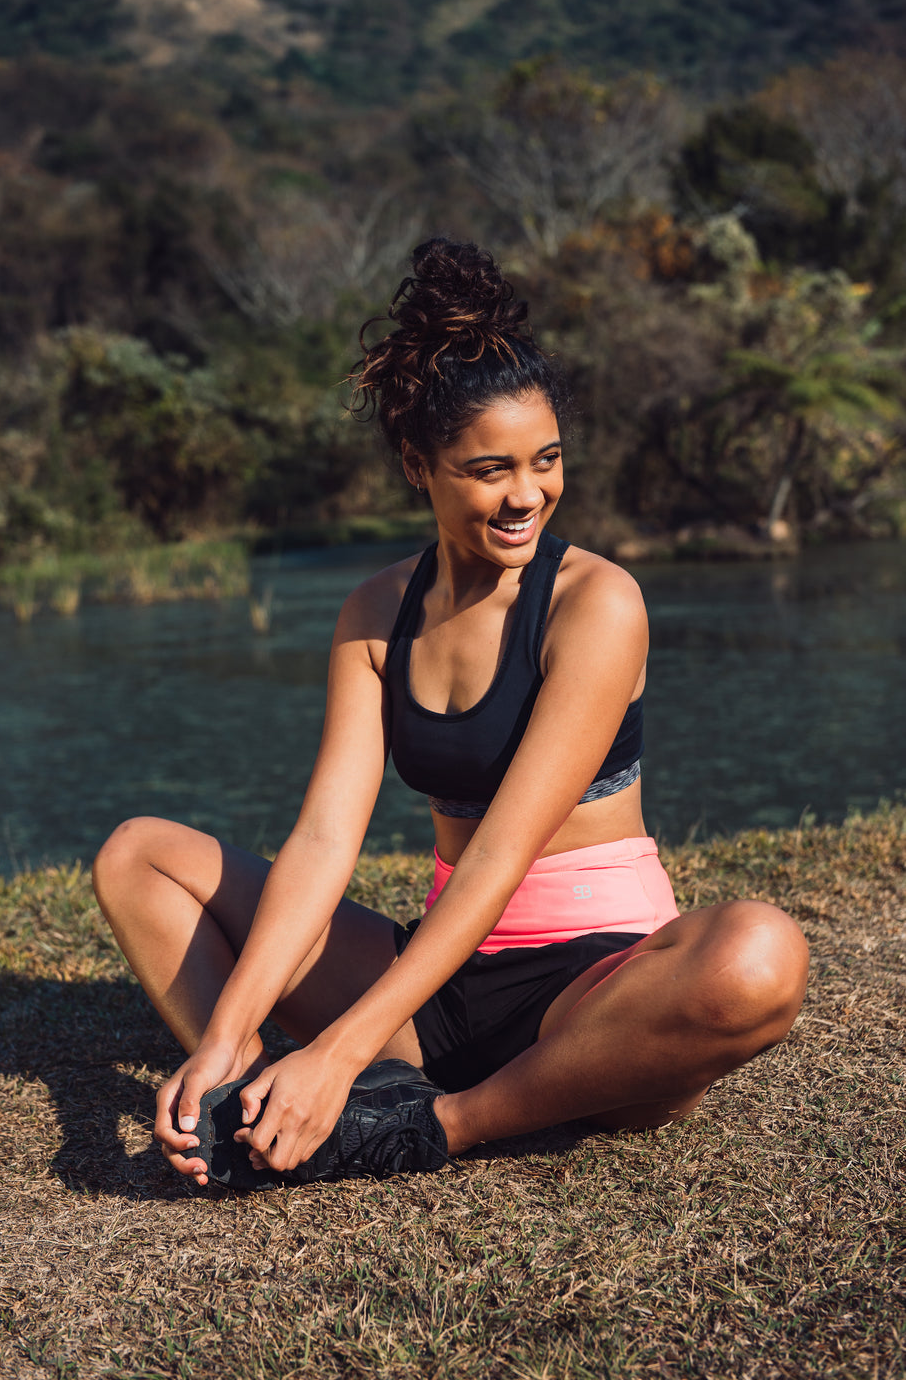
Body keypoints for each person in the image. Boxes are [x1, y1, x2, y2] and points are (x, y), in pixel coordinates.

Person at [92, 238, 809, 1188]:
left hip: (591, 994)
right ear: (416, 463)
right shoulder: (376, 615)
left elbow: (503, 854)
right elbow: (321, 842)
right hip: (436, 987)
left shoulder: (595, 605)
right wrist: (226, 1032)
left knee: (760, 955)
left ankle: (441, 1124)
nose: (528, 495)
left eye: (547, 462)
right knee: (138, 854)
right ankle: (259, 1099)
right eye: (490, 469)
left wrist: (343, 1049)